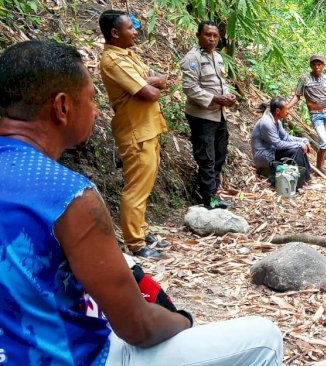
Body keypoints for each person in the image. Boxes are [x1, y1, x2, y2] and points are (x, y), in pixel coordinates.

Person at [0, 40, 283, 365]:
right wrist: (184, 320)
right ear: (62, 107)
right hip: (76, 356)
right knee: (265, 339)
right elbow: (139, 328)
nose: (96, 110)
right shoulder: (68, 194)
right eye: (92, 99)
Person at [99, 9, 169, 259]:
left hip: (148, 128)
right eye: (130, 28)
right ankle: (135, 242)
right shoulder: (114, 61)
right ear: (115, 33)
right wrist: (153, 84)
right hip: (136, 131)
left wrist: (153, 82)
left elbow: (154, 80)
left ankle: (142, 229)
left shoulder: (127, 54)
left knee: (145, 183)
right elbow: (149, 91)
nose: (135, 31)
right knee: (136, 188)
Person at [180, 20, 236, 210]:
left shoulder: (218, 57)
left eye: (215, 36)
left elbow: (222, 81)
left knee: (220, 155)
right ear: (198, 36)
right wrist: (215, 98)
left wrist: (227, 96)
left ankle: (213, 193)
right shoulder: (192, 59)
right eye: (208, 35)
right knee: (207, 158)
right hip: (202, 116)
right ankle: (208, 199)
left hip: (219, 115)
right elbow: (190, 88)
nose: (212, 39)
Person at [251, 97, 312, 190]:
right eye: (286, 109)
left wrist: (302, 140)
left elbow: (286, 138)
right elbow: (278, 144)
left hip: (272, 150)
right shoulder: (267, 123)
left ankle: (305, 179)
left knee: (298, 148)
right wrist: (299, 144)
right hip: (263, 155)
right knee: (297, 149)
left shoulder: (277, 121)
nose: (288, 111)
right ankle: (299, 181)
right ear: (278, 111)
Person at [289, 54, 326, 174]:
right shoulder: (304, 78)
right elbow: (297, 96)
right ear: (310, 65)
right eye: (314, 64)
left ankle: (320, 166)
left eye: (319, 64)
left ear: (323, 65)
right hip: (316, 115)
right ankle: (319, 168)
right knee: (324, 142)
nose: (317, 66)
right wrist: (287, 107)